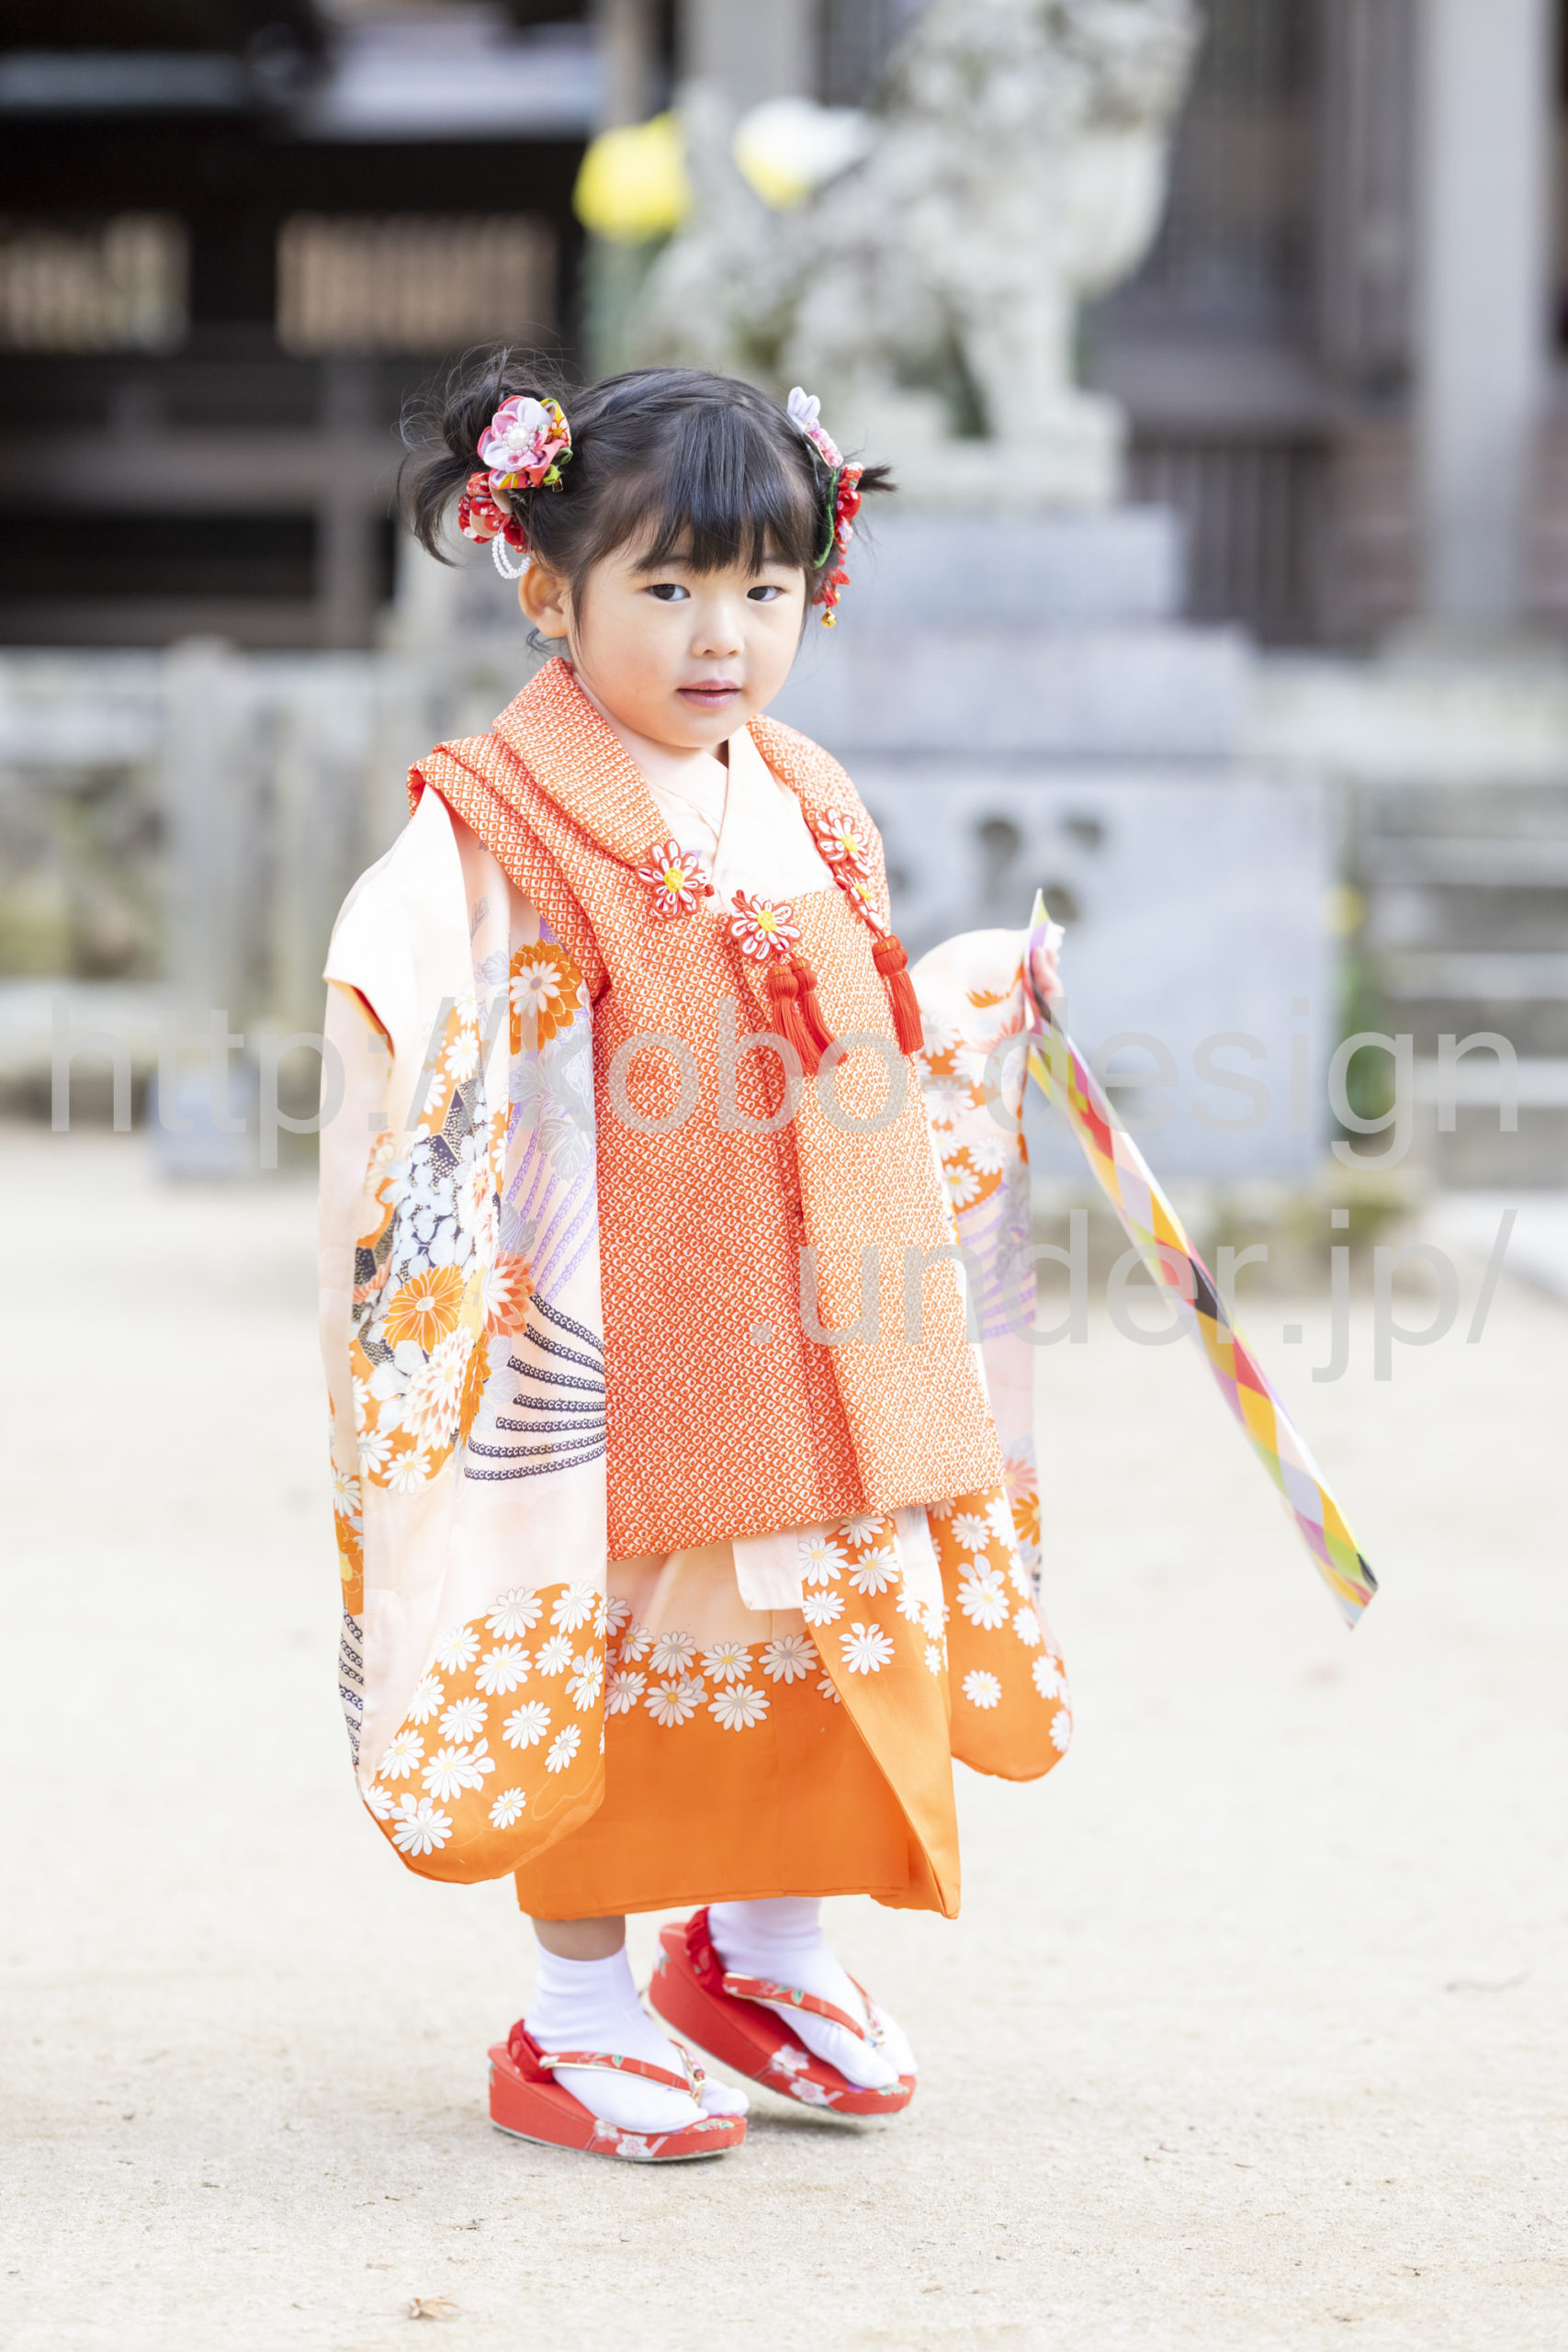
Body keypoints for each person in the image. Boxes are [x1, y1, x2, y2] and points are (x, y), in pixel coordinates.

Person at [317, 358, 1072, 2165]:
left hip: (821, 1316)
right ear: (546, 589)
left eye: (762, 586)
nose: (719, 633)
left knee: (818, 1628)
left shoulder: (805, 793)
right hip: (619, 1336)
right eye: (664, 585)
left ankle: (758, 1952)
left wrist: (968, 1005)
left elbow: (854, 1027)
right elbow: (418, 1007)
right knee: (609, 1650)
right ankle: (574, 2009)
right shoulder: (497, 819)